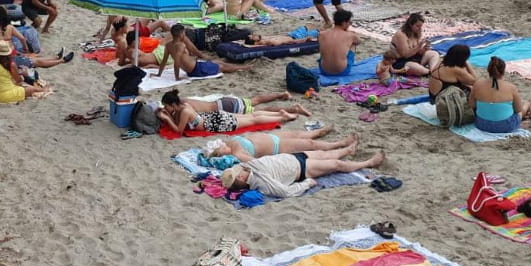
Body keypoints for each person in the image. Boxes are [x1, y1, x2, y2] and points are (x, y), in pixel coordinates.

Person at [219, 148, 385, 198]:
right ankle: (369, 163)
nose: (238, 168)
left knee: (326, 154)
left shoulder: (246, 167)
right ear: (240, 177)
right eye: (237, 172)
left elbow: (239, 157)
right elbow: (284, 192)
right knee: (336, 164)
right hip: (301, 170)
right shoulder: (261, 183)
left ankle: (348, 149)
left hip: (292, 157)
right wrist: (306, 183)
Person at [156, 88, 296, 135]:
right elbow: (178, 121)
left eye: (166, 106)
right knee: (252, 115)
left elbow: (179, 130)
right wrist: (168, 114)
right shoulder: (184, 105)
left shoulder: (185, 111)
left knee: (253, 119)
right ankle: (280, 114)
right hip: (216, 116)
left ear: (173, 104)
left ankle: (281, 117)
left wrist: (167, 119)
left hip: (217, 121)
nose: (165, 109)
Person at [156, 24, 252, 79]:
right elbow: (176, 63)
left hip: (195, 67)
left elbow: (164, 61)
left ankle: (239, 65)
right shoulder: (180, 46)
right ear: (181, 34)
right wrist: (177, 78)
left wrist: (159, 74)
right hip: (196, 70)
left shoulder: (169, 45)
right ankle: (244, 67)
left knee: (216, 62)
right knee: (222, 67)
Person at [470, 56, 531, 133]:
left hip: (482, 125)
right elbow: (518, 110)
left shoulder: (477, 84)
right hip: (505, 126)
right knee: (521, 110)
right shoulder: (511, 87)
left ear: (488, 70)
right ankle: (528, 105)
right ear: (503, 71)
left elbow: (472, 105)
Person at [201, 130, 353, 162]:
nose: (222, 147)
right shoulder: (237, 153)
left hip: (271, 136)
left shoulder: (230, 143)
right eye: (220, 150)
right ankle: (339, 144)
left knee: (300, 134)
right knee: (309, 144)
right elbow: (256, 162)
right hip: (277, 146)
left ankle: (319, 131)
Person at [390, 13, 441, 77]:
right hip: (401, 62)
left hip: (415, 59)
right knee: (412, 66)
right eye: (417, 26)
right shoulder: (401, 35)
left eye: (421, 26)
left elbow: (419, 52)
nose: (419, 28)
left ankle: (432, 70)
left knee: (434, 53)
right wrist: (419, 46)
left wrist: (424, 48)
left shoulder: (417, 33)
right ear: (411, 24)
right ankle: (429, 72)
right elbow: (405, 55)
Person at [318, 9, 358, 76]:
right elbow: (358, 41)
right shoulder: (350, 35)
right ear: (344, 23)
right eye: (349, 22)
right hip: (342, 72)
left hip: (323, 70)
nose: (350, 24)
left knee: (327, 45)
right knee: (353, 44)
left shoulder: (322, 34)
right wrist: (347, 32)